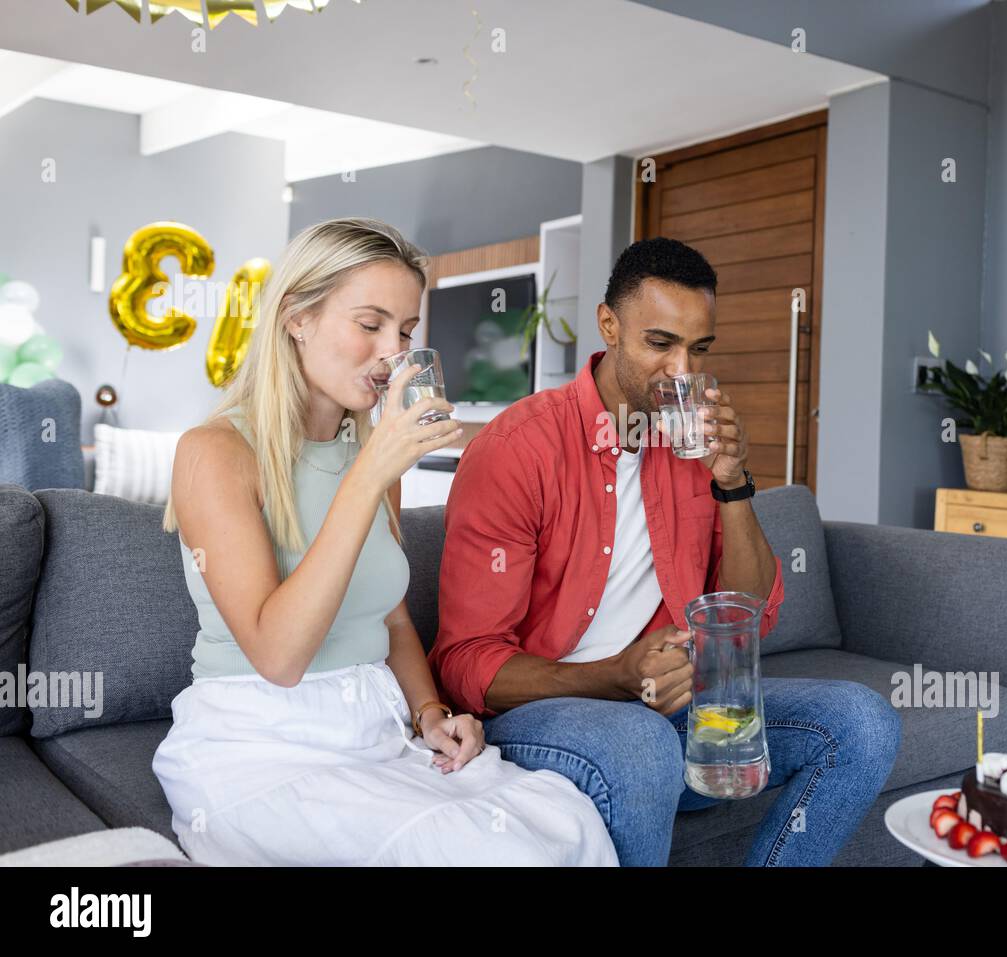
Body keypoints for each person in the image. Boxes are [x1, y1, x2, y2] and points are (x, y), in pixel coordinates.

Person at [153, 217, 617, 867]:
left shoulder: (373, 456)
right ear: (297, 318)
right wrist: (369, 473)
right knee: (486, 852)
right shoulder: (215, 453)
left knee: (568, 821)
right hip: (258, 744)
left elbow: (391, 615)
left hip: (372, 730)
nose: (390, 352)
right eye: (369, 324)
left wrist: (430, 711)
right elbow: (279, 656)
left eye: (404, 331)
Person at [434, 237, 901, 866]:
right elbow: (467, 662)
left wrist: (732, 483)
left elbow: (749, 615)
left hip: (671, 708)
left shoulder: (690, 447)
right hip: (543, 714)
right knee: (640, 746)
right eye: (661, 344)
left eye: (698, 348)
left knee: (862, 722)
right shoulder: (517, 449)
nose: (682, 372)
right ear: (609, 326)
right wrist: (617, 675)